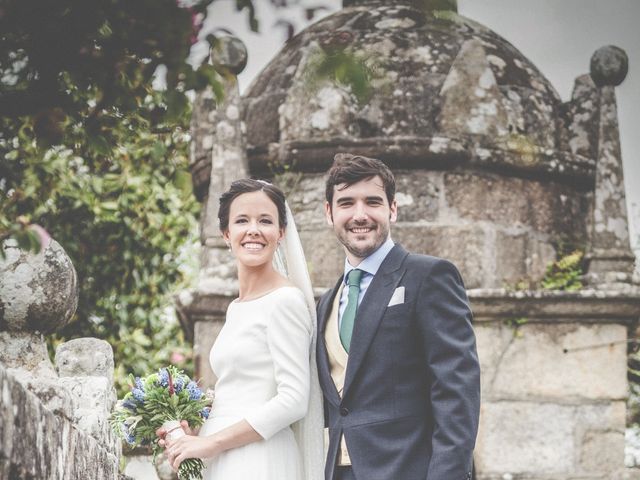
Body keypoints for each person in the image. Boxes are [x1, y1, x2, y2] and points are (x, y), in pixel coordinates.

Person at [316, 154, 481, 480]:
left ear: (392, 209)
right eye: (346, 203)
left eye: (372, 202)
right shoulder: (325, 303)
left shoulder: (429, 276)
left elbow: (456, 393)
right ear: (329, 212)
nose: (359, 214)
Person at [159, 179, 324, 480]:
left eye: (265, 221)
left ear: (281, 233)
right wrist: (192, 428)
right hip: (224, 456)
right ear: (226, 233)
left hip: (260, 457)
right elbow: (238, 389)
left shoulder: (285, 300)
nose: (253, 230)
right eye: (241, 221)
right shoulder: (237, 307)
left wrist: (211, 443)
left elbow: (294, 400)